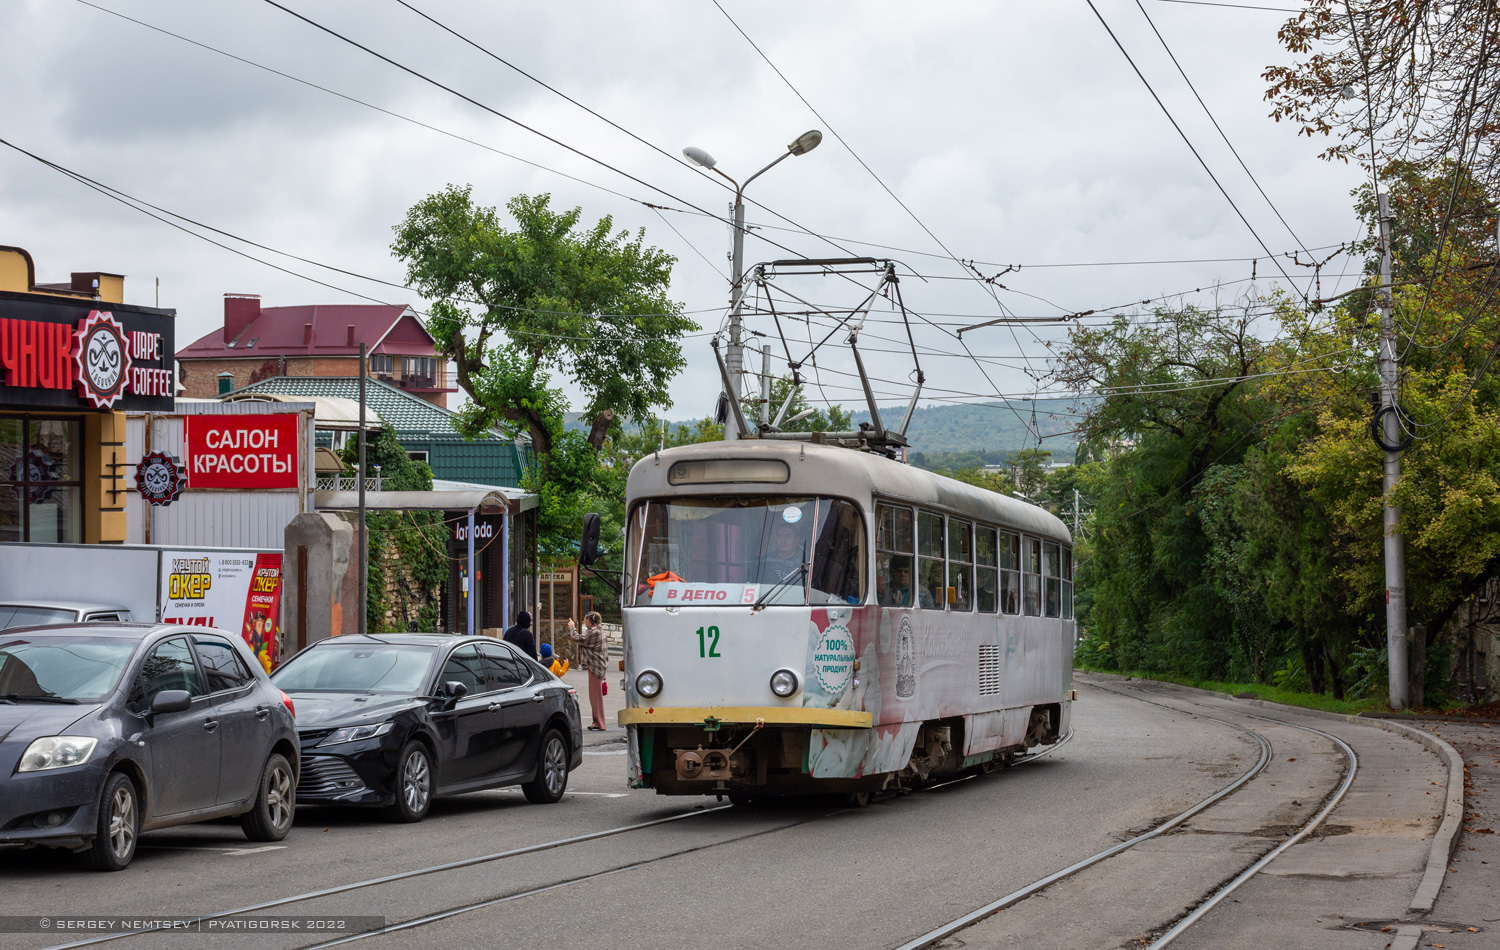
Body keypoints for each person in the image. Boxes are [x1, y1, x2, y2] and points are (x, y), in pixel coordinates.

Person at [568, 611, 609, 731]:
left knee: (595, 697)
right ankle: (597, 722)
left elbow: (577, 638)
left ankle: (599, 723)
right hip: (598, 666)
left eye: (585, 620)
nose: (584, 622)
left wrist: (572, 627)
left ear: (590, 621)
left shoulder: (594, 633)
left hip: (595, 667)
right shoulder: (600, 631)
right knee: (596, 696)